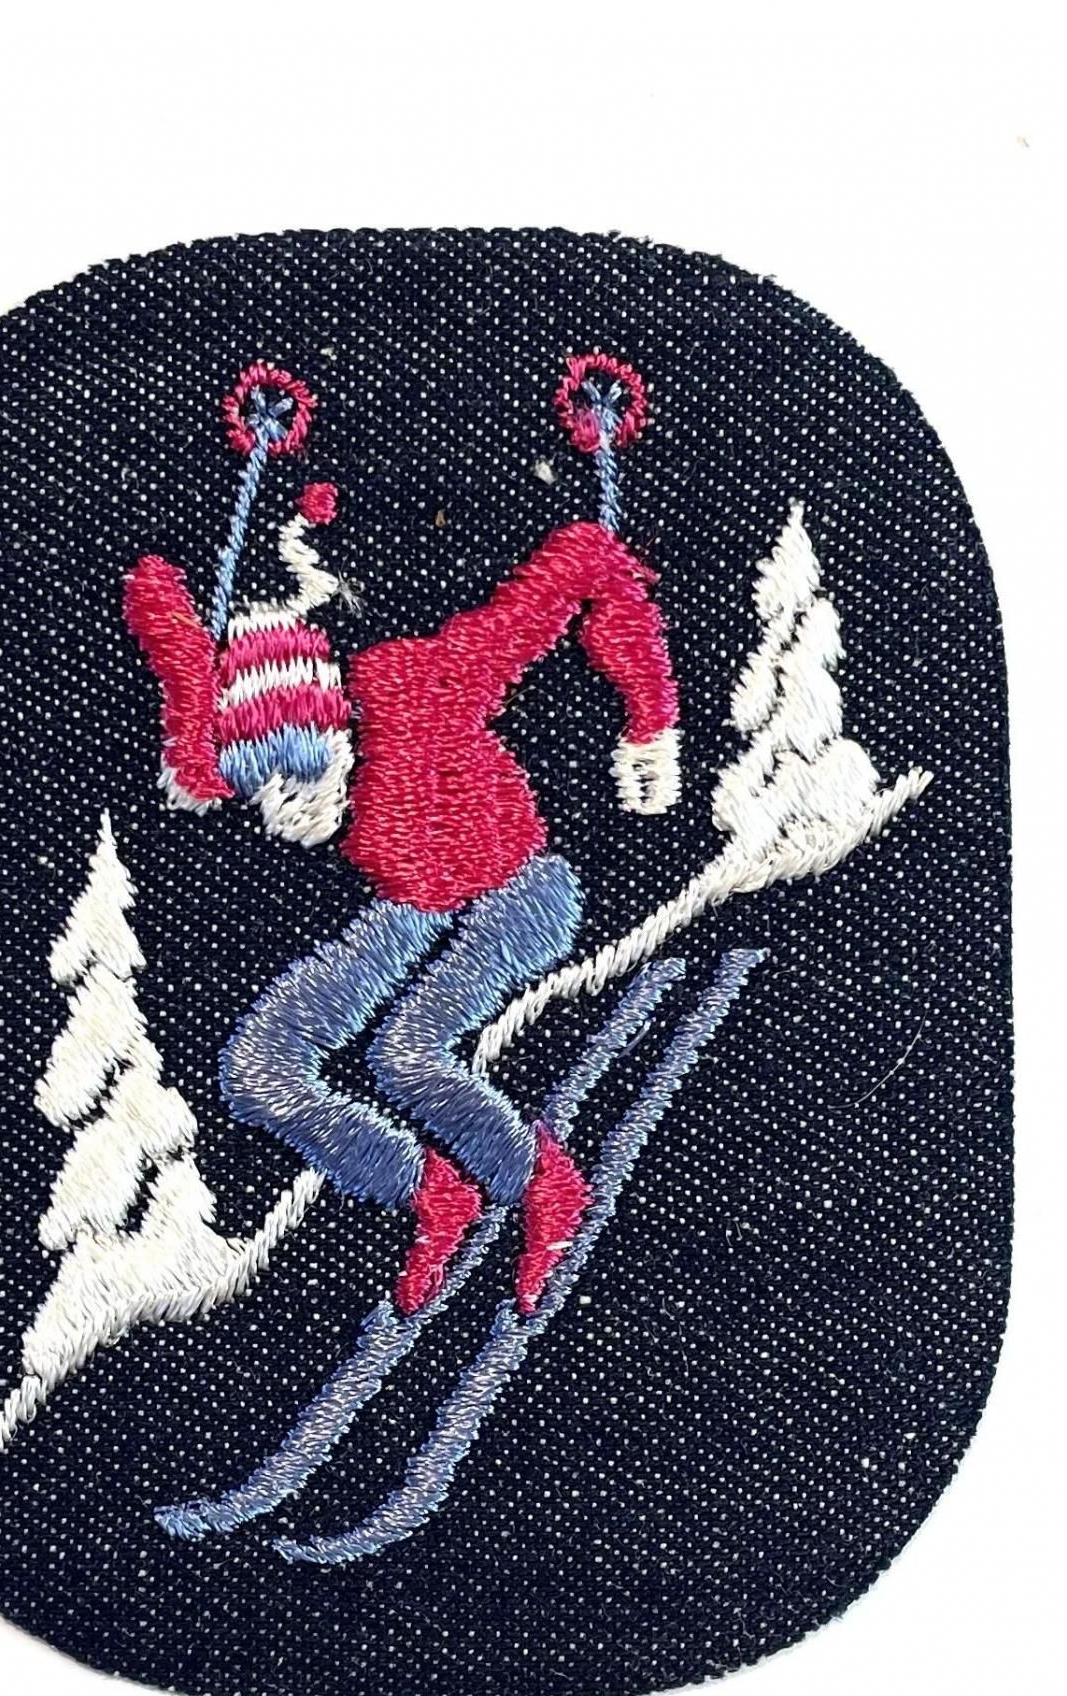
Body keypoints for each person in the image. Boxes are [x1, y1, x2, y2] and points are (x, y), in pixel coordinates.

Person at [124, 358, 681, 1320]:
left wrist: (650, 720)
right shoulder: (262, 714)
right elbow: (169, 631)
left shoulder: (419, 684)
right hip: (409, 905)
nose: (288, 815)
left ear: (333, 737)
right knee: (259, 1069)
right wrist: (174, 657)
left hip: (518, 892)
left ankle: (543, 1184)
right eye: (266, 796)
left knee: (406, 1054)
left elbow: (587, 561)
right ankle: (431, 1192)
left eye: (301, 782)